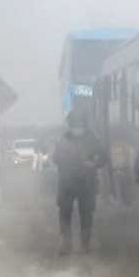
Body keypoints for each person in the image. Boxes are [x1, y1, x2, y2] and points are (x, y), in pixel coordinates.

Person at [52, 109, 108, 254]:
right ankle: (66, 244)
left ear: (85, 124)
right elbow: (56, 158)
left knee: (86, 214)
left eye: (80, 123)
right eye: (74, 123)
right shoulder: (63, 140)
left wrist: (93, 163)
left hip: (86, 184)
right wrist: (66, 162)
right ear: (70, 124)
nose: (77, 127)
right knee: (65, 214)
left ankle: (85, 244)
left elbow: (103, 157)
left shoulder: (92, 139)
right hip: (66, 184)